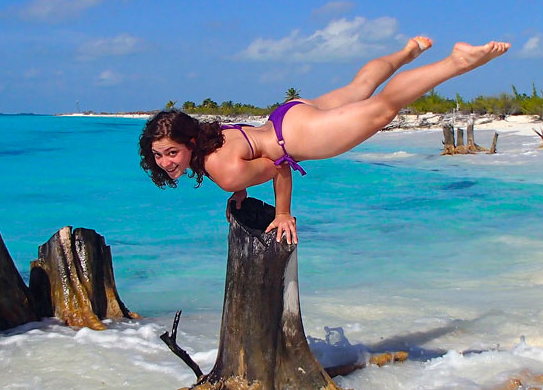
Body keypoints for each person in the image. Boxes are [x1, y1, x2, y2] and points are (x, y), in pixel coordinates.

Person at [139, 36, 511, 244]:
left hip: (302, 137)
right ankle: (408, 51)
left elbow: (279, 167)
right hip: (287, 115)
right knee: (360, 86)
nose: (166, 162)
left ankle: (456, 62)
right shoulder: (212, 139)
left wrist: (282, 213)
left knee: (382, 108)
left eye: (172, 152)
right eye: (158, 155)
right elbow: (246, 155)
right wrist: (240, 192)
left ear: (190, 142)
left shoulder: (221, 170)